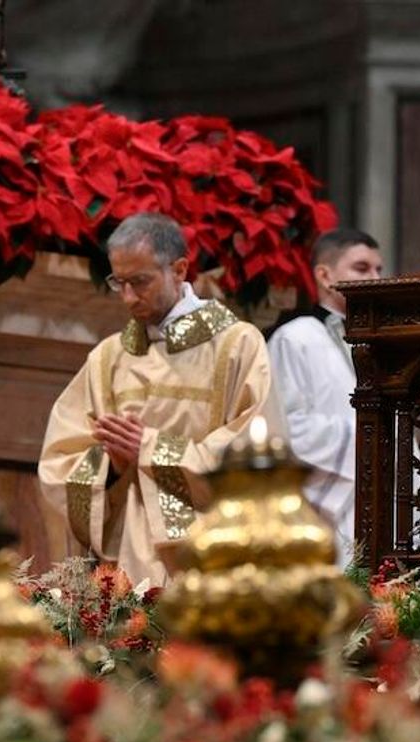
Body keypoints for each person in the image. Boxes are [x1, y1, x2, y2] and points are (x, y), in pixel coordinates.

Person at [38, 212, 281, 585]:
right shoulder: (108, 357)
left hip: (211, 557)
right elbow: (59, 462)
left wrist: (152, 449)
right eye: (118, 282)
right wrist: (111, 468)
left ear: (180, 269)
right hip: (128, 561)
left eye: (140, 281)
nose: (128, 297)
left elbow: (257, 452)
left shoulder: (237, 345)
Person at [266, 229, 383, 567]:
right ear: (325, 275)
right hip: (322, 507)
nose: (375, 279)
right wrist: (372, 436)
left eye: (379, 269)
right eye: (361, 268)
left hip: (379, 499)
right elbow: (286, 429)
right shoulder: (295, 337)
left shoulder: (382, 343)